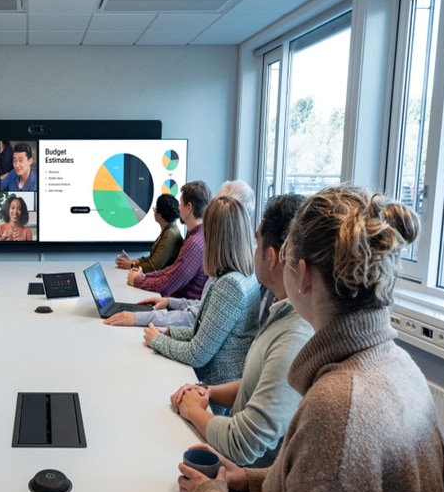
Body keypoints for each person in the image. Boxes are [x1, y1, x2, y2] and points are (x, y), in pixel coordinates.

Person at [176, 187, 444, 492]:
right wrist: (246, 480)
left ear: (301, 274)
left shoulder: (339, 408)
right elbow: (328, 485)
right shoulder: (398, 365)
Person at [169, 194, 312, 467]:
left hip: (240, 471)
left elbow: (243, 444)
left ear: (271, 257)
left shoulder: (294, 336)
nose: (252, 249)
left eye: (257, 242)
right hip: (241, 468)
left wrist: (193, 411)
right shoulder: (281, 312)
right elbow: (255, 385)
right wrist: (207, 391)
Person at [144, 196, 260, 386]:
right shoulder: (244, 276)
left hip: (212, 386)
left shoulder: (229, 285)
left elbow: (197, 354)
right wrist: (168, 332)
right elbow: (204, 334)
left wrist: (157, 341)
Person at [109, 180, 255, 326]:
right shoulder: (228, 267)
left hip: (179, 317)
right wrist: (167, 301)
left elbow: (190, 314)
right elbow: (198, 305)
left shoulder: (200, 247)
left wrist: (139, 283)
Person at [128, 180, 211, 299]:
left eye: (180, 204)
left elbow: (168, 284)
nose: (178, 208)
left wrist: (137, 280)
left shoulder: (194, 244)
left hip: (179, 305)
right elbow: (172, 271)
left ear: (188, 207)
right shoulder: (199, 236)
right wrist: (144, 276)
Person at [116, 193, 183, 272]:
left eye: (156, 209)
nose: (154, 211)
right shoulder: (170, 230)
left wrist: (131, 265)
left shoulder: (170, 234)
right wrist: (134, 261)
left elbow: (153, 266)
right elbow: (153, 258)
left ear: (160, 214)